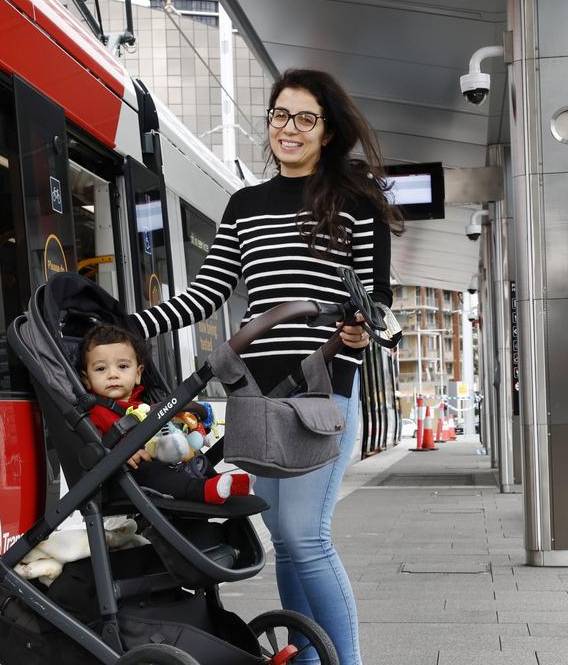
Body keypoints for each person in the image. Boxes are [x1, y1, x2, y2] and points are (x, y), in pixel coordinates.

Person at [130, 69, 402, 665]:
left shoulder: (358, 204)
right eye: (281, 116)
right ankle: (309, 658)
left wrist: (358, 327)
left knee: (307, 537)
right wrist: (133, 327)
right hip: (256, 396)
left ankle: (344, 660)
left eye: (306, 119)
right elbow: (208, 291)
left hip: (322, 391)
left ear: (327, 132)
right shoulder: (245, 205)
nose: (290, 129)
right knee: (286, 542)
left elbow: (377, 301)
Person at [79, 323, 252, 504]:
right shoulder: (96, 412)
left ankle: (226, 485)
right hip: (130, 472)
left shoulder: (145, 404)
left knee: (195, 457)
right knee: (156, 472)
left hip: (164, 457)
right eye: (101, 369)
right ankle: (203, 490)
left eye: (122, 366)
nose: (112, 375)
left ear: (138, 374)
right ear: (87, 379)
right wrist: (118, 454)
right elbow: (93, 447)